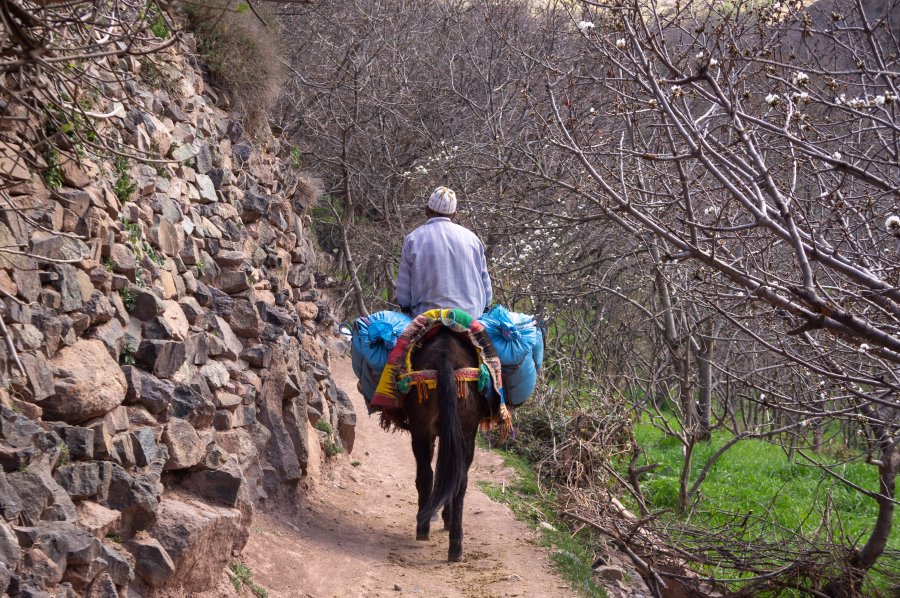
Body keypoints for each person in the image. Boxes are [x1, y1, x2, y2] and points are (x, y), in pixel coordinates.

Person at [395, 186, 492, 318]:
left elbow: (403, 292)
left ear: (426, 210)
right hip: (470, 317)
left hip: (426, 317)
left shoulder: (413, 239)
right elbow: (486, 289)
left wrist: (405, 307)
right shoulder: (472, 239)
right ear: (454, 214)